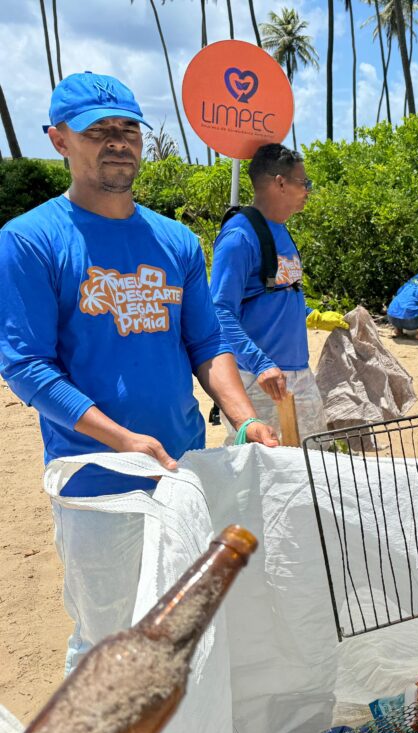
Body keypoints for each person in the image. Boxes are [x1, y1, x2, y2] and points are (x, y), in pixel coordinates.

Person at [0, 72, 277, 673]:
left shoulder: (175, 240)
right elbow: (25, 365)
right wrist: (121, 439)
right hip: (95, 478)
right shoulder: (29, 240)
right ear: (59, 140)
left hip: (183, 468)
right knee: (106, 635)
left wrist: (245, 418)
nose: (117, 142)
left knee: (184, 621)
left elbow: (206, 342)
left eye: (128, 129)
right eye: (97, 130)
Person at [210, 143, 349, 444]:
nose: (308, 190)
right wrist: (260, 364)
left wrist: (313, 316)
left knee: (315, 457)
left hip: (297, 371)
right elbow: (219, 311)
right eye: (304, 182)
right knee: (262, 464)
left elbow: (280, 291)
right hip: (257, 379)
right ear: (280, 183)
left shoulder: (281, 230)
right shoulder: (239, 237)